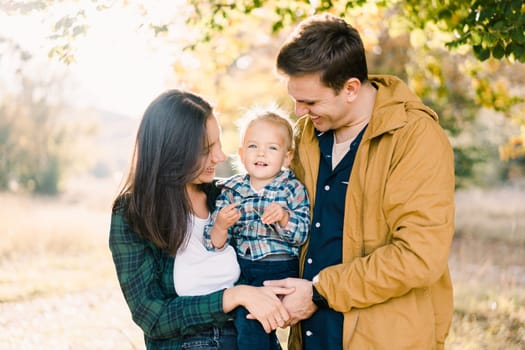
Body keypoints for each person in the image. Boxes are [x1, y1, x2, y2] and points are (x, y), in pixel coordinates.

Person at [264, 13, 456, 350]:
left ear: (351, 88)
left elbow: (419, 256)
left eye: (309, 101)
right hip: (310, 337)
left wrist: (322, 291)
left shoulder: (415, 137)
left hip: (385, 339)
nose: (297, 111)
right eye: (295, 99)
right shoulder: (305, 136)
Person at [109, 90, 294, 350]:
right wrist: (233, 297)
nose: (220, 157)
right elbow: (153, 317)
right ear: (173, 152)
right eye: (207, 149)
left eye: (218, 144)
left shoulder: (227, 195)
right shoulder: (133, 213)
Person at [203, 107, 310, 350]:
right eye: (253, 146)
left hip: (278, 269)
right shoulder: (231, 190)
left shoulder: (291, 188)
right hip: (242, 269)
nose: (261, 153)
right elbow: (213, 243)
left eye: (272, 147)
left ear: (286, 157)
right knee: (252, 322)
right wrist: (221, 225)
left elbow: (302, 233)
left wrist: (283, 218)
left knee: (252, 323)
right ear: (241, 154)